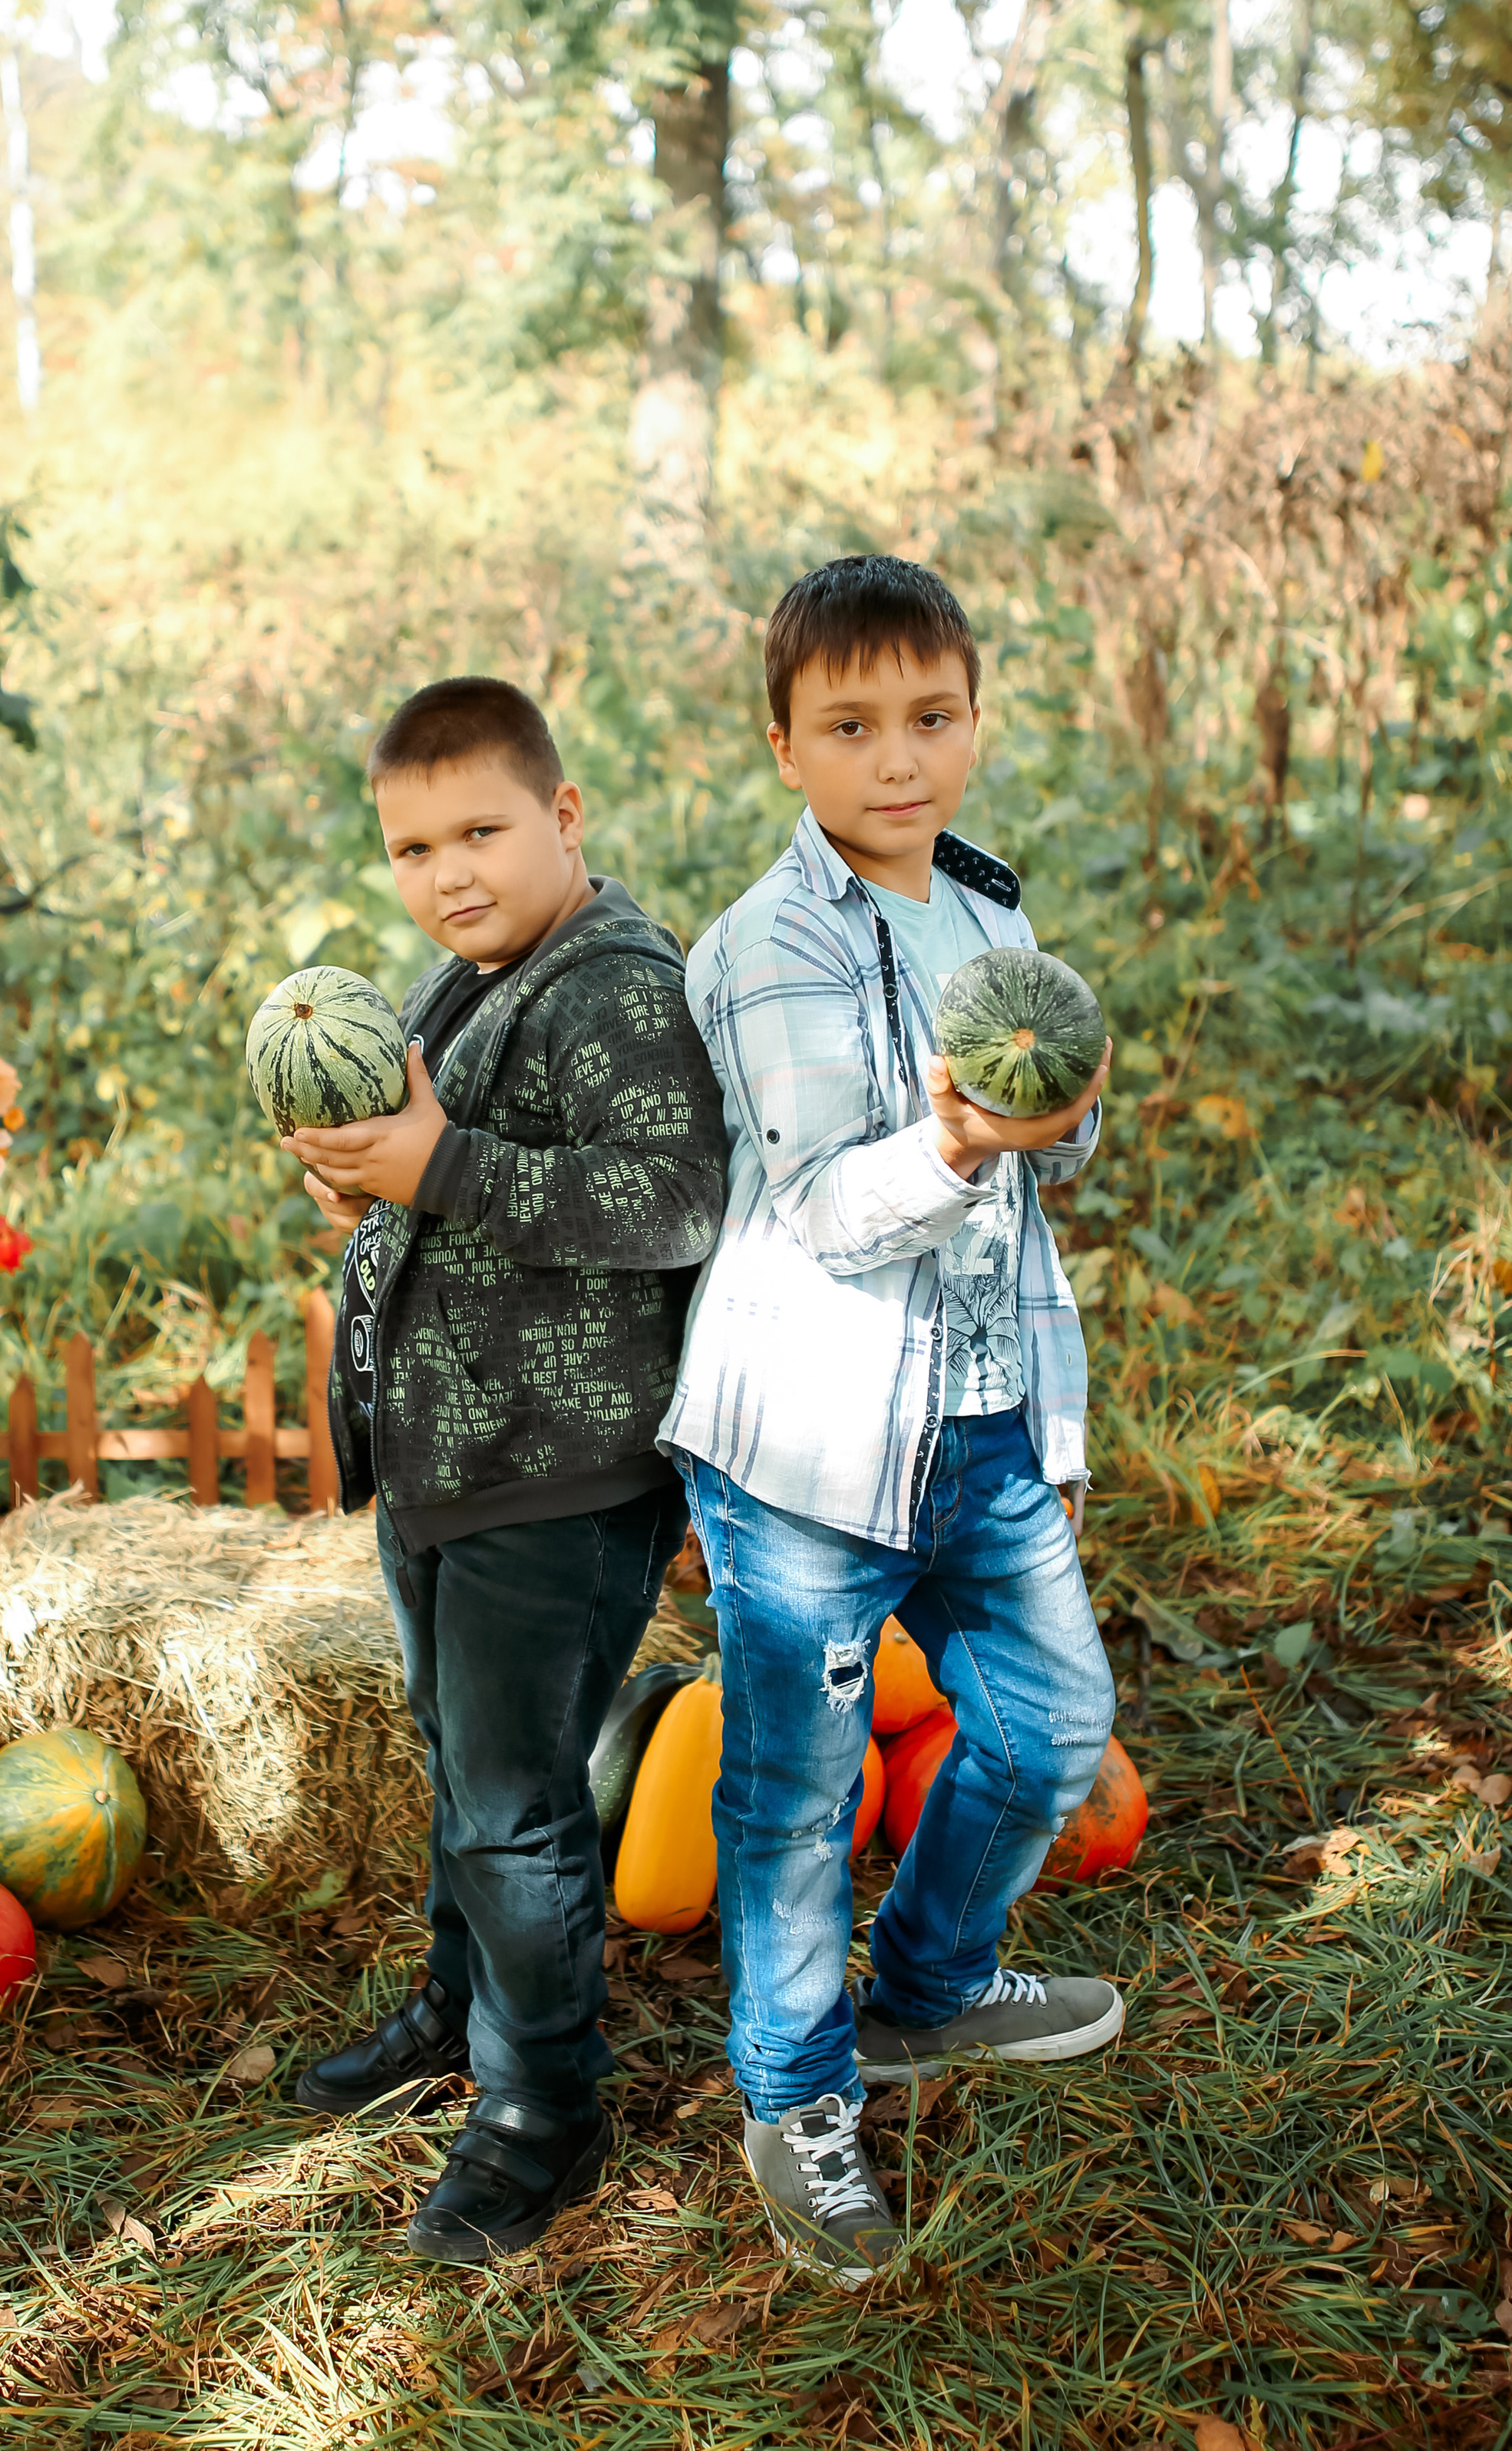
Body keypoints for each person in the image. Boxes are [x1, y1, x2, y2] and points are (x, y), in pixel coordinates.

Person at [659, 553, 1120, 2288]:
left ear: (975, 723)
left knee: (1049, 1727)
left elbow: (1052, 1147)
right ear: (784, 746)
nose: (897, 758)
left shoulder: (991, 918)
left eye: (929, 718)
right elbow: (828, 1207)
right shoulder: (769, 945)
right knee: (794, 1796)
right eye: (849, 727)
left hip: (980, 1416)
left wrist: (1050, 1113)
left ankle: (927, 1988)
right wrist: (962, 1139)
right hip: (808, 1446)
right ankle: (796, 2097)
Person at [281, 674, 727, 2268]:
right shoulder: (460, 980)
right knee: (464, 1768)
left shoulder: (616, 989)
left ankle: (544, 2105)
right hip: (447, 1461)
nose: (448, 872)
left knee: (515, 1807)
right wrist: (369, 1185)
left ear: (563, 814)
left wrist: (442, 1167)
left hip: (563, 1471)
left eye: (480, 831)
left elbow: (673, 1201)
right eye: (413, 848)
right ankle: (460, 2006)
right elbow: (434, 1173)